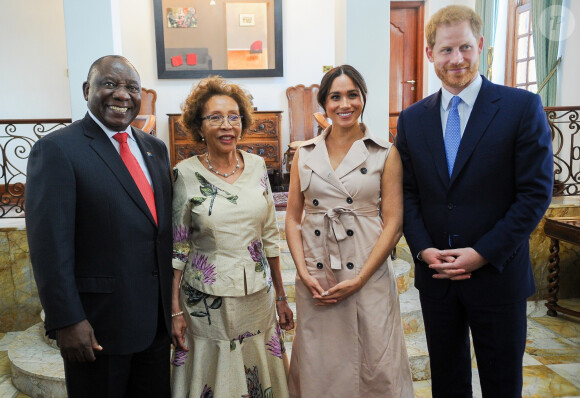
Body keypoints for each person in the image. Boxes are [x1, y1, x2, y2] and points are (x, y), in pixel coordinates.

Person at [395, 5, 553, 397]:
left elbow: (534, 194)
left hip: (497, 276)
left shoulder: (520, 108)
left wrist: (482, 253)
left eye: (465, 47)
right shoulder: (412, 119)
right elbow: (407, 193)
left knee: (502, 385)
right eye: (446, 50)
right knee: (447, 384)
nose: (457, 59)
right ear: (430, 53)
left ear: (480, 45)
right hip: (437, 278)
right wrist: (423, 250)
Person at [25, 55, 174, 397]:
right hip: (97, 327)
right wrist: (66, 319)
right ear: (86, 90)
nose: (122, 94)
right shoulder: (58, 149)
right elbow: (50, 247)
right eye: (110, 84)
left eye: (132, 87)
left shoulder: (155, 148)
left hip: (155, 323)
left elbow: (158, 232)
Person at [285, 65, 414, 397]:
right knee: (319, 362)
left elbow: (394, 221)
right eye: (335, 97)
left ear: (363, 98)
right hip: (318, 272)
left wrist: (362, 277)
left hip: (367, 270)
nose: (345, 104)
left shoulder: (385, 152)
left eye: (352, 95)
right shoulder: (305, 153)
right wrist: (302, 271)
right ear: (324, 103)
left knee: (375, 361)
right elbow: (293, 219)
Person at [171, 76, 294, 398]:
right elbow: (179, 246)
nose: (227, 125)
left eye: (234, 117)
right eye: (215, 117)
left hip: (257, 297)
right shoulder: (184, 174)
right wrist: (175, 309)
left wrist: (281, 296)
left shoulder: (256, 166)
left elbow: (269, 234)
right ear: (199, 126)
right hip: (206, 302)